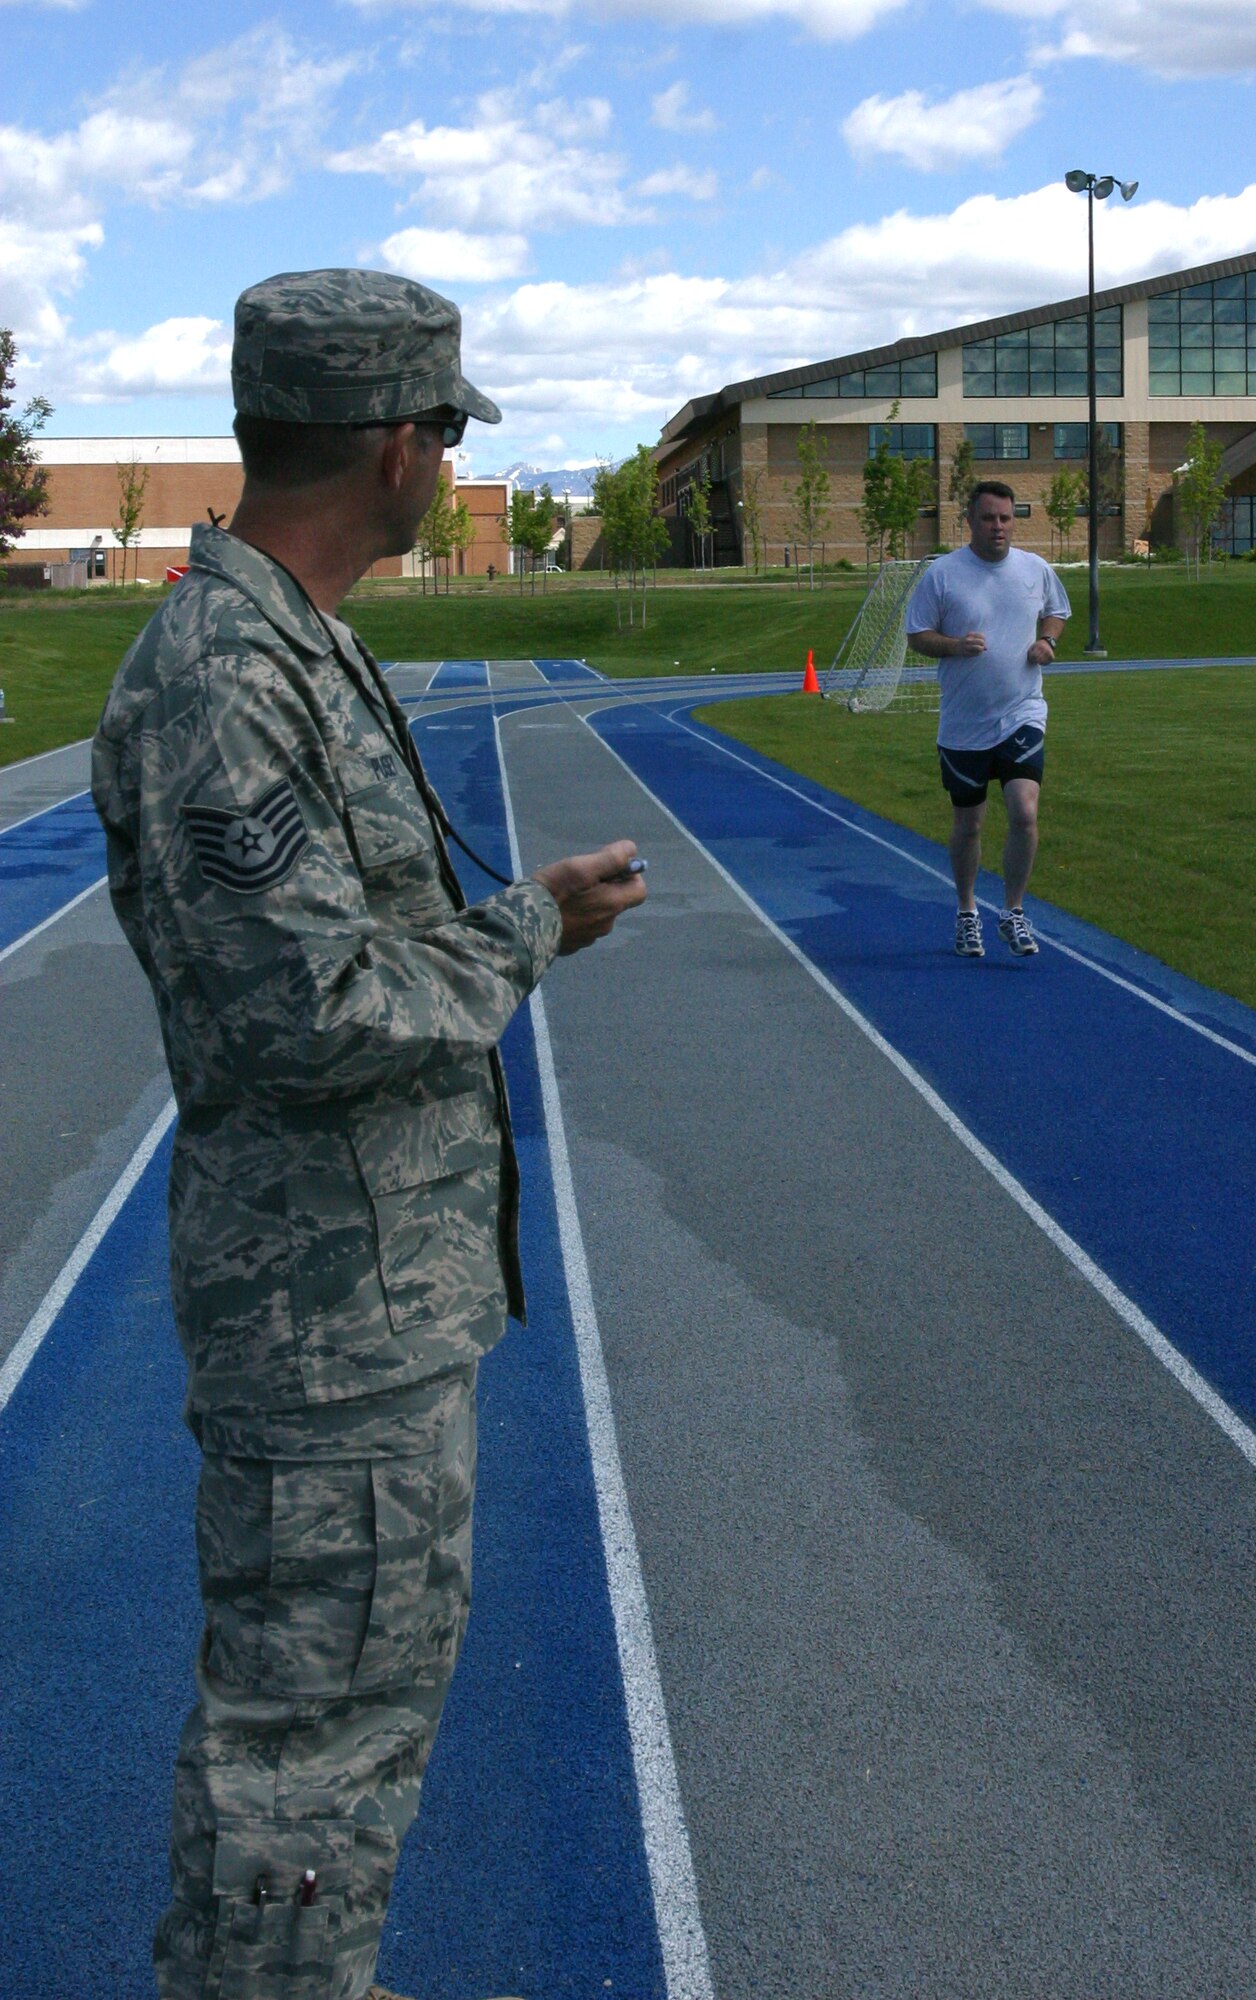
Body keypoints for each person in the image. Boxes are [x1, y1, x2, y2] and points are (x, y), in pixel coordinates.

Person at [90, 268, 646, 2000]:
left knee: (350, 1716)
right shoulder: (224, 675)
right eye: (444, 435)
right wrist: (530, 926)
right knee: (305, 1738)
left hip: (367, 1306)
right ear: (402, 449)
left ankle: (303, 1974)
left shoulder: (286, 640)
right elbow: (307, 1008)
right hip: (326, 1322)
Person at [906, 479, 1070, 958]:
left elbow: (1057, 611)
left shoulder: (1034, 569)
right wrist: (955, 646)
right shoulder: (943, 574)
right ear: (969, 521)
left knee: (1024, 811)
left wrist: (1048, 642)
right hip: (963, 724)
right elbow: (917, 634)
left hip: (1021, 712)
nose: (997, 526)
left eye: (1005, 518)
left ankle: (1014, 911)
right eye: (988, 518)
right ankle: (966, 912)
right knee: (969, 826)